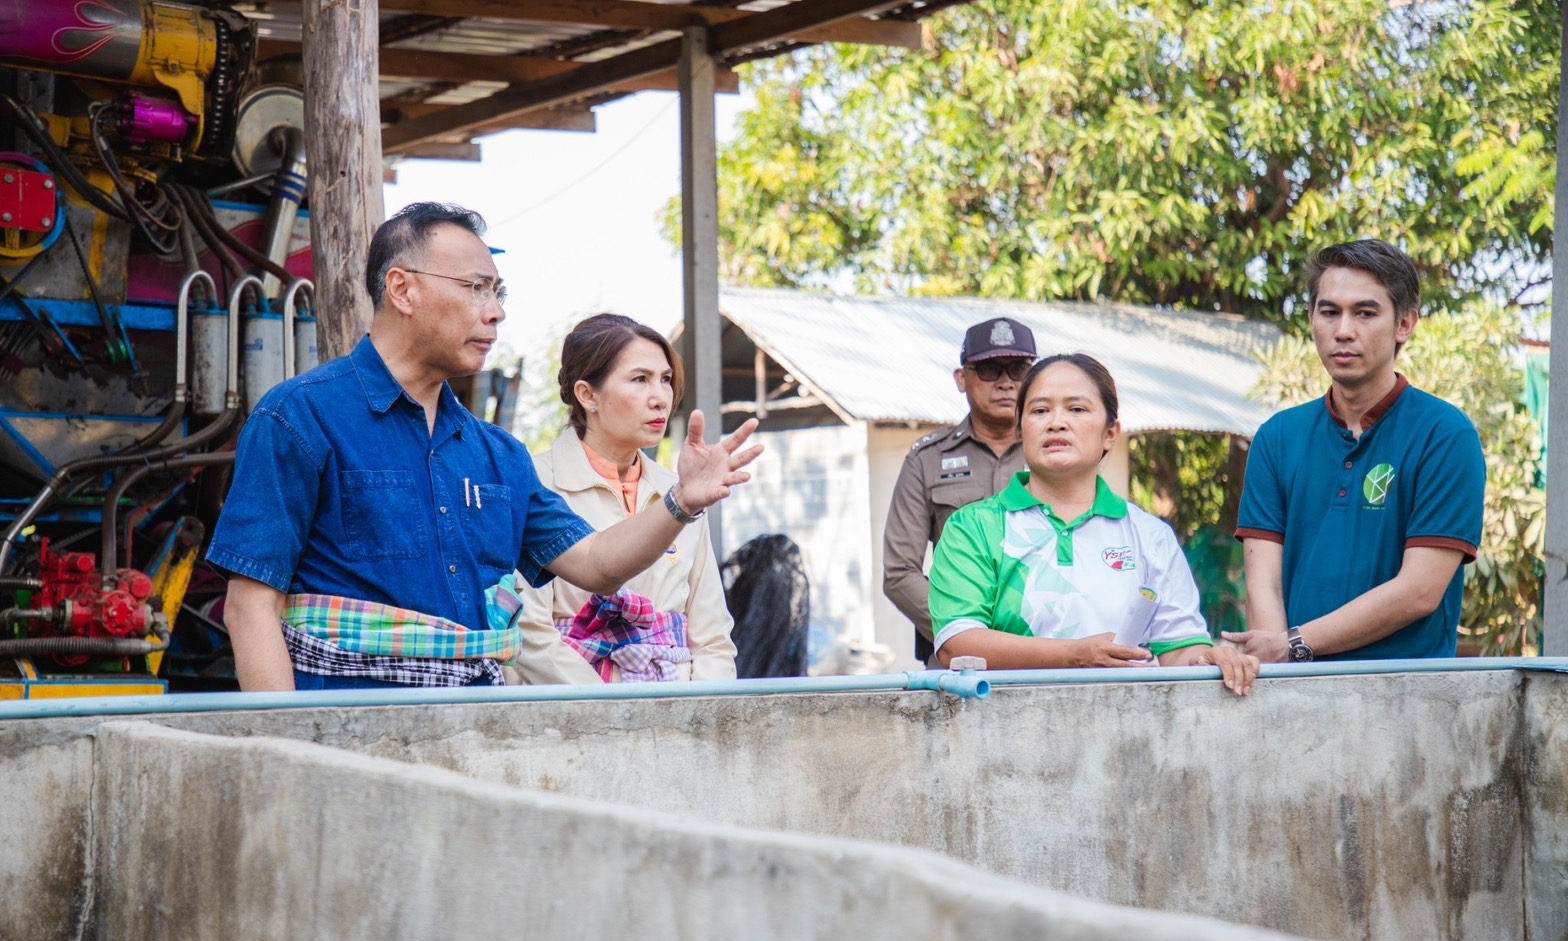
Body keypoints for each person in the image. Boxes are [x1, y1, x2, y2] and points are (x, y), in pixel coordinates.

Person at [210, 203, 760, 691]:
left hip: (477, 733)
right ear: (402, 289)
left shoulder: (498, 455)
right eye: (475, 288)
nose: (495, 311)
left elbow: (596, 564)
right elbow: (250, 607)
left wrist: (681, 502)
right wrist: (287, 756)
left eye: (499, 292)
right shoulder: (300, 417)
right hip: (347, 746)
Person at [928, 354, 1258, 697]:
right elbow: (958, 643)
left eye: (1077, 409)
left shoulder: (1150, 535)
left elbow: (1179, 651)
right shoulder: (973, 527)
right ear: (1020, 429)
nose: (1056, 423)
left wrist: (1214, 659)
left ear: (1110, 433)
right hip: (1007, 733)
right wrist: (1076, 656)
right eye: (1040, 411)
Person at [1223, 239, 1485, 663]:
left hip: (1409, 703)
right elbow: (1264, 585)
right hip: (1295, 698)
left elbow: (1419, 591)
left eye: (1365, 312)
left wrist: (1291, 646)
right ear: (1311, 319)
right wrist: (1281, 672)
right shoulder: (1277, 437)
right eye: (1329, 312)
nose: (1343, 330)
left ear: (1405, 324)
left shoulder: (1444, 434)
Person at [508, 313, 736, 684]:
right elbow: (530, 636)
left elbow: (712, 638)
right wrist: (612, 709)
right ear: (587, 395)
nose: (661, 398)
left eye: (665, 380)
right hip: (569, 712)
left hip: (677, 711)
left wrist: (699, 715)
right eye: (639, 379)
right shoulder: (532, 482)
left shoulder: (681, 490)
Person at [883, 317, 1037, 666]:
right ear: (961, 378)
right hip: (960, 662)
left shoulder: (1060, 452)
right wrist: (962, 631)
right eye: (989, 370)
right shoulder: (928, 459)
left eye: (1018, 370)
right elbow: (899, 573)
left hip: (1048, 649)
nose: (1005, 383)